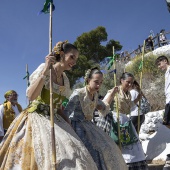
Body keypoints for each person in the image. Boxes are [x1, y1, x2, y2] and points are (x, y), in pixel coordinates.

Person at [0, 41, 98, 170]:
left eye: (76, 59)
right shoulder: (44, 68)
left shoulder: (66, 80)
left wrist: (68, 122)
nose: (74, 62)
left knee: (75, 155)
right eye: (72, 57)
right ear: (61, 54)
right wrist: (45, 70)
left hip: (55, 119)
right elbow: (30, 96)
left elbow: (58, 107)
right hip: (35, 118)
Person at [64, 67, 128, 170]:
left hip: (90, 126)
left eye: (101, 82)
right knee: (88, 152)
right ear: (88, 80)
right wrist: (69, 129)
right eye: (96, 82)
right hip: (76, 126)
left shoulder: (95, 95)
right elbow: (66, 112)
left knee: (106, 147)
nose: (99, 85)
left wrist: (111, 94)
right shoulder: (78, 93)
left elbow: (103, 106)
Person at [96, 72, 148, 170]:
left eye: (132, 83)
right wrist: (112, 94)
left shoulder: (128, 93)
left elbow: (129, 106)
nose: (130, 85)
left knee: (132, 146)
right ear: (121, 80)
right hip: (114, 121)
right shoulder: (114, 90)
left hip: (125, 121)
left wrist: (137, 99)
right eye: (128, 82)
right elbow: (104, 105)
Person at [155, 55, 170, 126]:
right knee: (166, 122)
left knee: (166, 121)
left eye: (159, 64)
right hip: (168, 101)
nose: (159, 67)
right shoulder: (167, 72)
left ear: (165, 61)